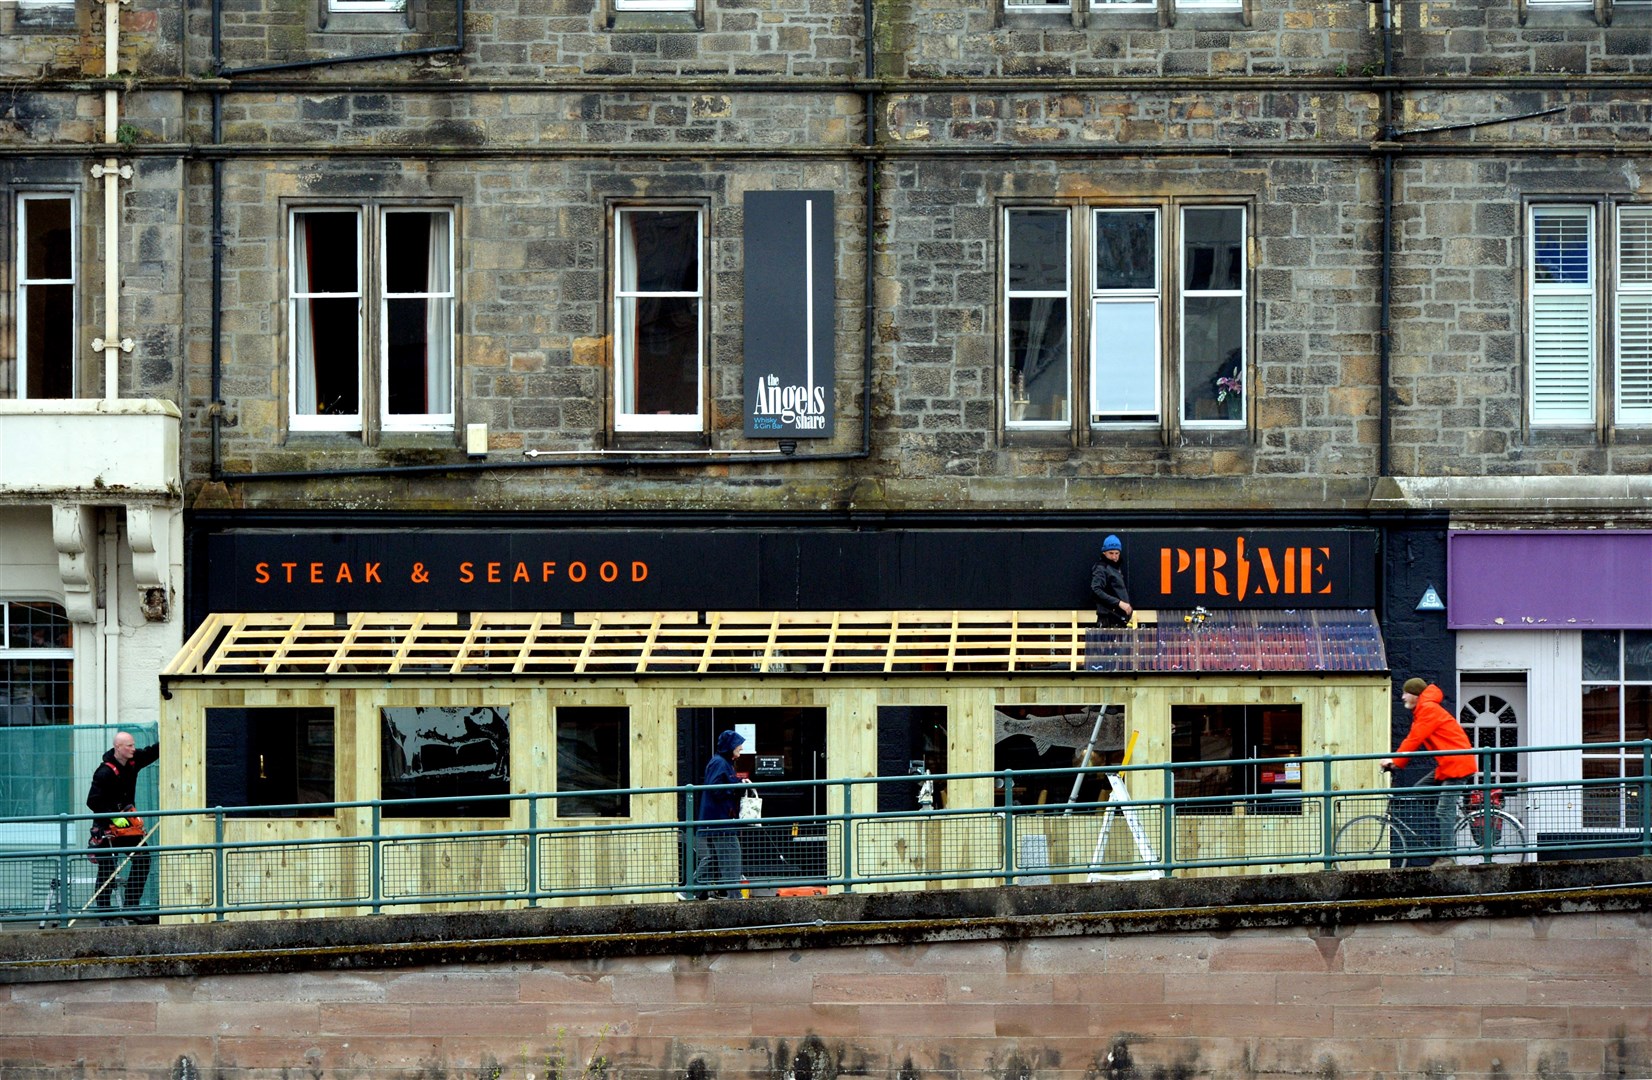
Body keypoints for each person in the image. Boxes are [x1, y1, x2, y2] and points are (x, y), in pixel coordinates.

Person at [1381, 678, 1477, 868]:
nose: (1402, 697)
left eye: (1405, 693)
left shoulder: (1428, 709)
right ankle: (1444, 820)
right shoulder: (1425, 709)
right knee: (1420, 790)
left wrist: (1395, 761)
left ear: (1415, 695)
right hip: (1448, 764)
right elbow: (1413, 738)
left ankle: (1447, 857)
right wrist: (1397, 762)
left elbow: (1414, 739)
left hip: (1456, 765)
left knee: (1443, 810)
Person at [86, 731, 160, 923]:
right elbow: (93, 801)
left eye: (133, 745)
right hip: (107, 827)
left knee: (143, 859)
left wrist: (171, 736)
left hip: (128, 826)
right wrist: (114, 817)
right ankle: (104, 911)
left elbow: (152, 753)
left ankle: (131, 906)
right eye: (129, 746)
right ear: (118, 747)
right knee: (108, 868)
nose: (133, 749)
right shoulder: (104, 772)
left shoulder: (133, 762)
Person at [679, 730, 746, 900]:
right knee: (732, 857)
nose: (741, 748)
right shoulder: (720, 763)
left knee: (713, 858)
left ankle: (691, 892)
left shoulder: (721, 762)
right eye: (738, 746)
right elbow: (716, 789)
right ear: (730, 747)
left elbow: (718, 786)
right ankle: (734, 898)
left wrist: (738, 783)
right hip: (720, 821)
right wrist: (736, 786)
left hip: (715, 820)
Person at [1091, 534, 1133, 628]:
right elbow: (1096, 590)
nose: (1114, 557)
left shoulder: (1114, 568)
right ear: (1104, 553)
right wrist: (1119, 603)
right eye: (1111, 553)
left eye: (1116, 553)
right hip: (1108, 620)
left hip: (1118, 620)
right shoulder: (1101, 568)